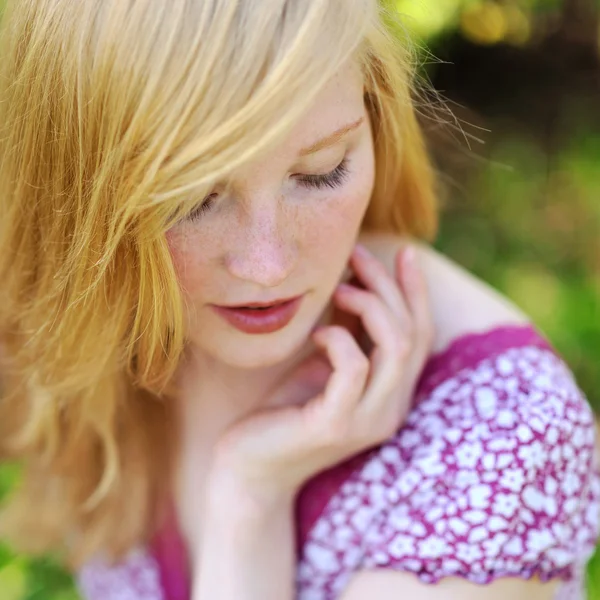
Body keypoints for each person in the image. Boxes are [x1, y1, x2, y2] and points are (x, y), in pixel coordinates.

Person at [0, 0, 598, 599]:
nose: (268, 268)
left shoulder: (497, 434)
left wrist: (249, 496)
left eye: (321, 171)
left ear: (376, 117)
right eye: (189, 200)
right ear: (72, 190)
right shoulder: (86, 321)